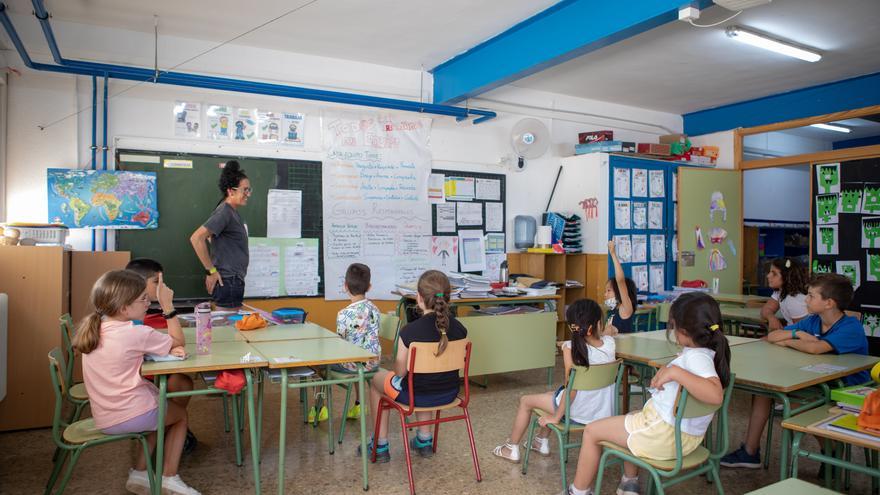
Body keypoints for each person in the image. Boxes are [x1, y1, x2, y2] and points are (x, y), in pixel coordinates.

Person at [564, 292, 731, 495]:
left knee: (591, 431)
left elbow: (715, 395)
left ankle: (578, 492)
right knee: (630, 416)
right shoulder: (709, 353)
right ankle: (629, 483)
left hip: (663, 437)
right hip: (685, 438)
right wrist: (671, 372)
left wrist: (675, 372)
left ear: (684, 330)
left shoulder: (697, 358)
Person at [721, 273, 868, 469]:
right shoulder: (813, 321)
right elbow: (773, 336)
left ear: (829, 303)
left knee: (797, 401)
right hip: (815, 379)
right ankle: (750, 452)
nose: (806, 300)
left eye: (811, 296)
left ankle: (832, 453)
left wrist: (793, 342)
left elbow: (816, 348)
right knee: (764, 393)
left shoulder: (851, 326)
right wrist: (797, 334)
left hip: (846, 389)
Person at [74, 270, 200, 495]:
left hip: (105, 416)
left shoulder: (93, 330)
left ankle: (140, 473)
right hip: (131, 414)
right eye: (143, 298)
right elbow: (178, 341)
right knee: (179, 415)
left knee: (159, 409)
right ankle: (169, 478)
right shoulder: (136, 332)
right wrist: (167, 306)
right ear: (124, 308)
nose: (147, 302)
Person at [359, 270, 467, 462]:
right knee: (422, 380)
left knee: (376, 378)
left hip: (415, 395)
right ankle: (424, 440)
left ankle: (380, 444)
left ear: (418, 298)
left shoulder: (410, 332)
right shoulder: (460, 329)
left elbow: (400, 372)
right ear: (448, 298)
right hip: (450, 392)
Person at [492, 298, 616, 463]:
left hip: (578, 413)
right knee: (553, 394)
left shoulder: (571, 349)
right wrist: (606, 330)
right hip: (602, 414)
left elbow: (571, 389)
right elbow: (606, 335)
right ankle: (540, 441)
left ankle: (511, 448)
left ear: (572, 326)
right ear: (599, 323)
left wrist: (557, 416)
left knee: (526, 401)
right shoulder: (610, 344)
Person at [126, 258, 198, 454]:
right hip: (136, 384)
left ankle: (166, 430)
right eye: (157, 282)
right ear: (138, 284)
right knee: (180, 383)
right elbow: (178, 341)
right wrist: (168, 305)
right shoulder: (136, 320)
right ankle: (166, 430)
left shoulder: (133, 314)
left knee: (181, 382)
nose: (163, 286)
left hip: (133, 383)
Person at [189, 160, 250, 310]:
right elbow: (197, 238)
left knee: (229, 329)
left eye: (249, 190)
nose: (248, 194)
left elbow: (212, 238)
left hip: (232, 280)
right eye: (245, 190)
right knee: (227, 330)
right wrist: (211, 270)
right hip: (228, 281)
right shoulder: (225, 211)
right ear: (231, 191)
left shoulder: (231, 212)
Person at [333, 263, 381, 420]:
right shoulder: (375, 309)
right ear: (369, 286)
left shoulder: (343, 314)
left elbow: (341, 345)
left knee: (320, 365)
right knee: (357, 353)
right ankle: (359, 404)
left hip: (353, 364)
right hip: (373, 362)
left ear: (345, 286)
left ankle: (320, 407)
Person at [761, 257, 809, 330]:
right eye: (770, 272)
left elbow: (801, 332)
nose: (768, 276)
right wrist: (771, 318)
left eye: (774, 274)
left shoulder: (794, 300)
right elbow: (767, 308)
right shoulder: (780, 291)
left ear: (787, 277)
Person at [604, 239, 638, 335]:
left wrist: (613, 254)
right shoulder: (613, 311)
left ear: (619, 291)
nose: (605, 294)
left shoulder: (625, 309)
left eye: (609, 290)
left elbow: (620, 280)